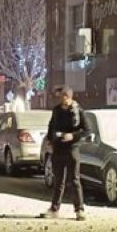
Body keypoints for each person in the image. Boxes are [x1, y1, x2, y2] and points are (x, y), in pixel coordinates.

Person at [43, 86, 90, 221]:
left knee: (75, 180)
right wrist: (50, 140)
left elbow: (87, 130)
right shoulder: (57, 110)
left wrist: (72, 136)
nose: (62, 99)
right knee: (59, 181)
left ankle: (79, 210)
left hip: (72, 149)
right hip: (58, 149)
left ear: (69, 97)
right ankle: (54, 209)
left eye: (64, 96)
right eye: (61, 96)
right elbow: (51, 126)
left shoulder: (78, 111)